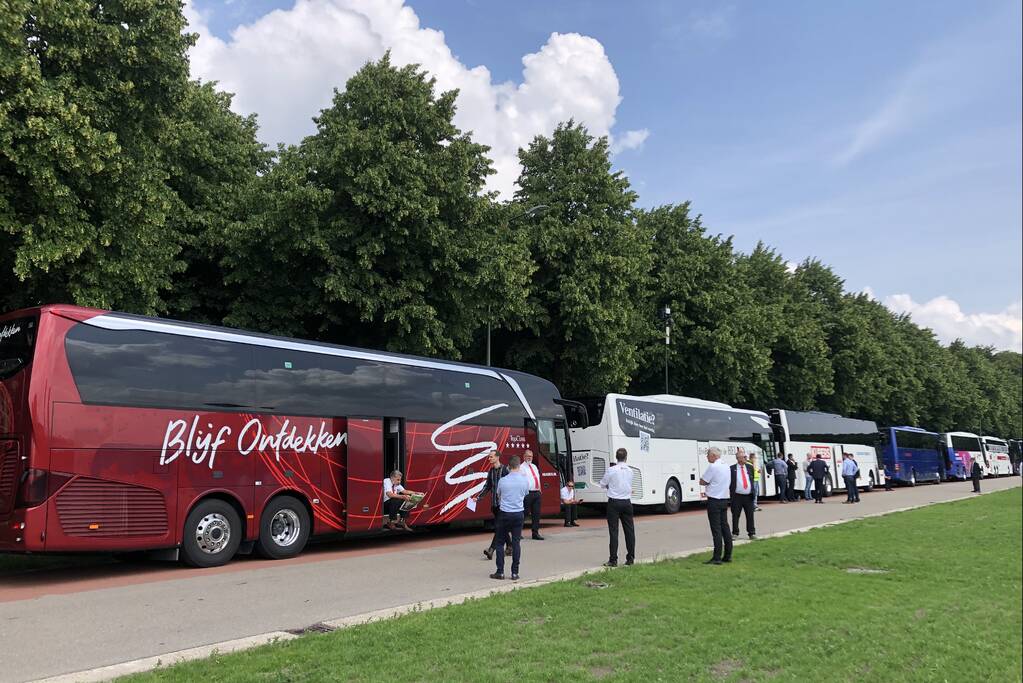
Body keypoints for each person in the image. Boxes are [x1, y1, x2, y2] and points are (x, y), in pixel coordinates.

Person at [490, 455, 529, 580]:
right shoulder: (524, 480)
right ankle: (515, 572)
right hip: (518, 514)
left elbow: (498, 495)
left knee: (500, 543)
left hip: (504, 513)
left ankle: (500, 571)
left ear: (508, 466)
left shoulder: (503, 481)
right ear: (518, 466)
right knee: (516, 543)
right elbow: (525, 494)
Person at [599, 448, 635, 567]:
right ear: (626, 457)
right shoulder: (630, 471)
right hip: (627, 502)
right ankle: (630, 558)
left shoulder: (612, 470)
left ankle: (613, 559)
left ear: (616, 457)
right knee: (629, 531)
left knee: (614, 531)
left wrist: (610, 486)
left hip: (614, 502)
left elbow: (602, 484)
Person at [474, 450, 511, 560]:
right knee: (502, 527)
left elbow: (510, 485)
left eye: (491, 457)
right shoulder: (491, 471)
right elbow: (487, 486)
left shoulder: (505, 470)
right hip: (494, 505)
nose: (489, 459)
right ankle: (510, 546)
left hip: (503, 505)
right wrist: (478, 497)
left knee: (499, 527)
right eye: (489, 457)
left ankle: (491, 549)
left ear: (497, 457)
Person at [700, 447, 732, 565]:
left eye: (708, 455)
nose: (707, 457)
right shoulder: (726, 466)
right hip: (724, 499)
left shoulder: (713, 467)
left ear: (714, 455)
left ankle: (717, 556)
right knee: (725, 527)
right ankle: (728, 554)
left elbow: (703, 481)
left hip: (714, 500)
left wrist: (706, 482)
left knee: (716, 530)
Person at [730, 449, 756, 540]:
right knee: (735, 515)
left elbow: (751, 479)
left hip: (748, 496)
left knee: (750, 515)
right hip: (737, 496)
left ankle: (751, 533)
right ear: (738, 458)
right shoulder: (732, 468)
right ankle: (735, 533)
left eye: (745, 456)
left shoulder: (749, 467)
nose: (746, 458)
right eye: (744, 457)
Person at [521, 449, 544, 540]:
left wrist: (540, 490)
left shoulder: (534, 466)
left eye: (531, 456)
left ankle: (535, 533)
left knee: (536, 514)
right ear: (524, 457)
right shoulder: (521, 467)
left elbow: (537, 478)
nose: (529, 458)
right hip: (527, 493)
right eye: (528, 456)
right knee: (524, 513)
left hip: (536, 492)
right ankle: (518, 532)